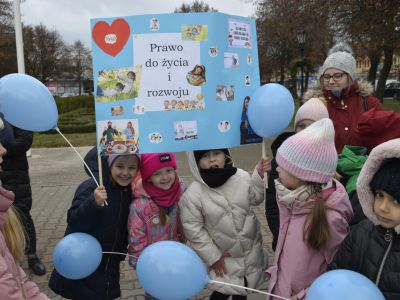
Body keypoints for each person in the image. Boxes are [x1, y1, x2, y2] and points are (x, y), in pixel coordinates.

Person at [266, 118, 353, 300]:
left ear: (301, 175)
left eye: (283, 165)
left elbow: (338, 270)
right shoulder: (292, 198)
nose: (277, 169)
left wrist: (304, 295)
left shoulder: (330, 219)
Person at [49, 148, 140, 300]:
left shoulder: (128, 190)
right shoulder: (92, 186)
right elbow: (74, 221)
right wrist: (93, 202)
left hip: (110, 262)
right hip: (84, 262)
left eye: (132, 168)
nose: (125, 172)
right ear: (109, 164)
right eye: (120, 166)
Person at [179, 149, 269, 299]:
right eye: (205, 156)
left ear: (225, 155)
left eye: (216, 154)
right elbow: (193, 229)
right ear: (197, 162)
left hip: (248, 251)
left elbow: (256, 198)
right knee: (222, 290)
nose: (212, 159)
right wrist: (213, 256)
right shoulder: (193, 194)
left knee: (243, 289)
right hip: (223, 257)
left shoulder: (241, 176)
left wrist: (259, 175)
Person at [330, 138, 400, 299]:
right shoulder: (360, 233)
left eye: (396, 201)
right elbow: (339, 274)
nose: (382, 207)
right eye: (379, 195)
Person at [265, 97, 329, 250]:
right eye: (302, 125)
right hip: (286, 240)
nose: (307, 130)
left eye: (313, 125)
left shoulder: (329, 162)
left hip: (317, 243)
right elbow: (273, 206)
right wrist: (283, 235)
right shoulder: (281, 160)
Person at [0, 117, 49, 299]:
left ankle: (32, 255)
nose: (3, 150)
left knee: (22, 216)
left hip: (17, 177)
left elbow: (23, 143)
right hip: (4, 178)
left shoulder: (16, 114)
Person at [305, 42, 382, 153]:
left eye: (337, 76)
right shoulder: (316, 104)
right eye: (326, 76)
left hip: (363, 169)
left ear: (350, 76)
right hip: (325, 169)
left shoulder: (370, 104)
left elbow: (383, 141)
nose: (331, 81)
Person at [127, 153, 186, 299]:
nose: (165, 177)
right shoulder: (140, 205)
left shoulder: (181, 192)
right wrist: (141, 264)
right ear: (148, 177)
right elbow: (136, 238)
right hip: (153, 262)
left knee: (180, 290)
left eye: (169, 170)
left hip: (177, 255)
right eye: (157, 173)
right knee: (156, 294)